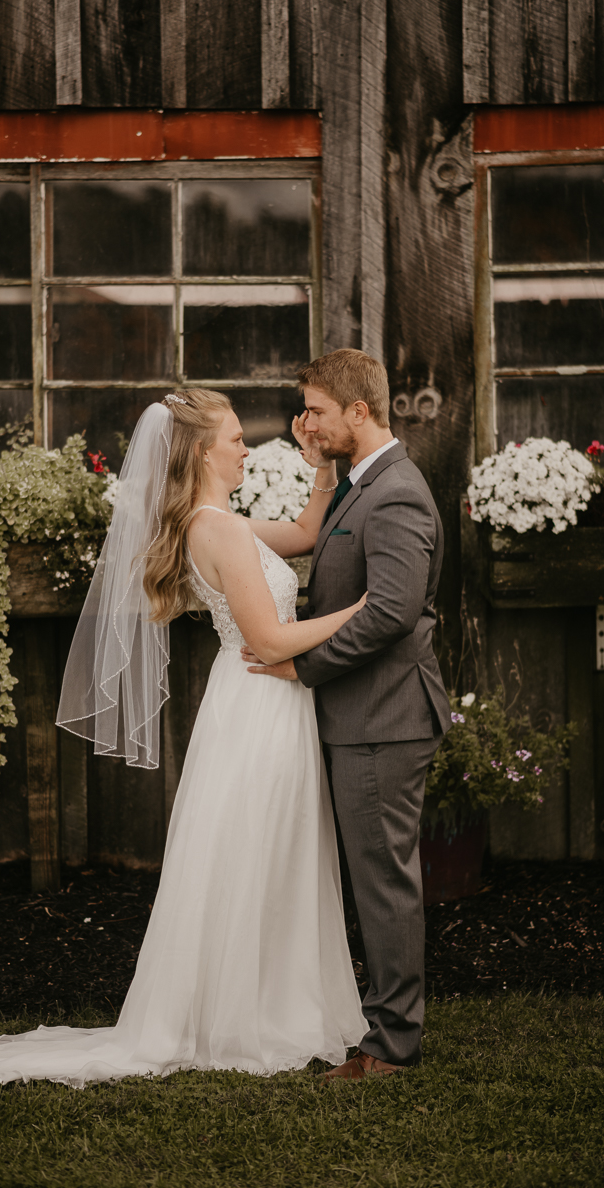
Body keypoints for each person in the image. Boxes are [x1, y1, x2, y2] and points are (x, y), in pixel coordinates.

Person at [0, 387, 367, 1087]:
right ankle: (253, 1015)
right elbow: (267, 638)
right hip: (260, 702)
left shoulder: (212, 521)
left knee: (261, 851)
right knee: (258, 849)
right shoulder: (219, 529)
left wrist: (320, 464)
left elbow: (301, 535)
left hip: (250, 704)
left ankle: (262, 1004)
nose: (245, 448)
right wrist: (362, 612)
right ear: (203, 451)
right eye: (234, 438)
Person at [242, 349, 451, 1080]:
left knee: (384, 883)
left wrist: (302, 666)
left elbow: (390, 612)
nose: (307, 422)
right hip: (365, 715)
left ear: (359, 412)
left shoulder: (396, 493)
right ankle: (381, 1027)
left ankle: (393, 1048)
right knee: (373, 878)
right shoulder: (365, 482)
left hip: (383, 718)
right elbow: (326, 554)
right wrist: (318, 460)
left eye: (319, 412)